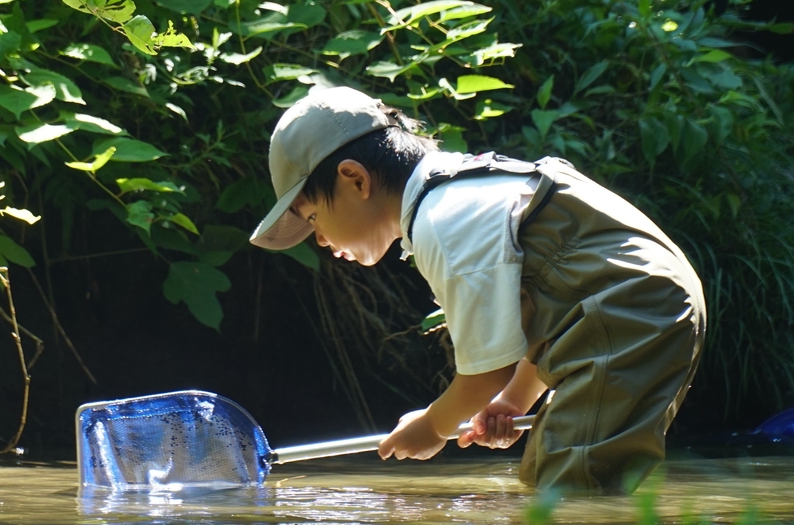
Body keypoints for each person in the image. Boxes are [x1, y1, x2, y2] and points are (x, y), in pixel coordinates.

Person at [249, 86, 705, 492]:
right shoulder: (460, 186)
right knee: (552, 475)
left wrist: (433, 426)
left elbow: (487, 374)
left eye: (313, 219)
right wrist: (514, 401)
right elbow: (549, 307)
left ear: (355, 180)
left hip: (628, 314)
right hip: (635, 307)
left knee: (569, 493)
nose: (322, 241)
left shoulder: (442, 221)